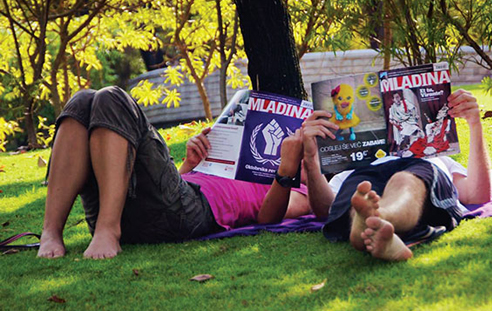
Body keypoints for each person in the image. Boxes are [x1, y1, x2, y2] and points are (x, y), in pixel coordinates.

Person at [38, 86, 310, 259]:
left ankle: (107, 230)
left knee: (113, 99)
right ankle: (51, 232)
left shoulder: (301, 190)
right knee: (81, 101)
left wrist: (286, 169)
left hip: (186, 212)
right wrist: (190, 165)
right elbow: (172, 194)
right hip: (162, 203)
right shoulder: (240, 161)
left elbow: (269, 218)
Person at [301, 89, 491, 262]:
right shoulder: (349, 171)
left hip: (418, 165)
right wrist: (310, 160)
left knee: (403, 180)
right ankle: (378, 229)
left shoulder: (437, 157)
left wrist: (475, 123)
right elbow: (326, 210)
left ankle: (374, 217)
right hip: (363, 170)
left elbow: (476, 194)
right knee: (360, 191)